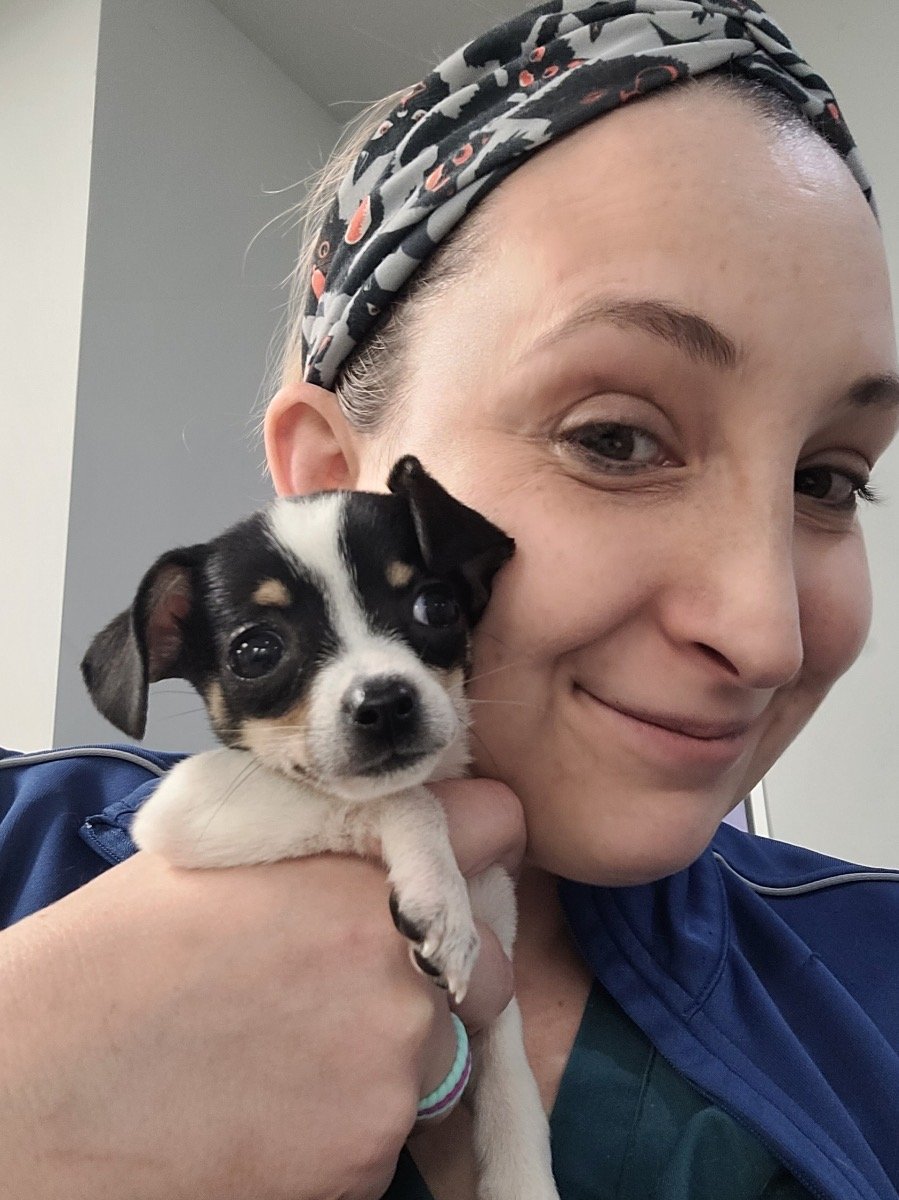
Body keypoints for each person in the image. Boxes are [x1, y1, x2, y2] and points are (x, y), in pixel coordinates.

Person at [1, 2, 898, 1198]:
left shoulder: (876, 969)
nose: (762, 633)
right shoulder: (23, 853)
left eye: (827, 479)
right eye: (615, 438)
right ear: (332, 478)